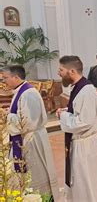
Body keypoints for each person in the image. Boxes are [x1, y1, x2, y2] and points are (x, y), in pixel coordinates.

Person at [56, 55, 97, 201]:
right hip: (80, 144)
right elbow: (79, 112)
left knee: (86, 185)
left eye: (61, 70)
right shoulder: (78, 88)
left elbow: (84, 122)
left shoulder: (86, 91)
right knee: (80, 185)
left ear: (71, 71)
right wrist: (66, 111)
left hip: (85, 147)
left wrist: (63, 116)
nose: (58, 73)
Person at [3, 65, 60, 200]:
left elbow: (28, 123)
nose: (3, 82)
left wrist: (7, 116)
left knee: (35, 174)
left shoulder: (29, 93)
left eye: (5, 78)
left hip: (32, 141)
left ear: (16, 77)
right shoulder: (20, 91)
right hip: (25, 139)